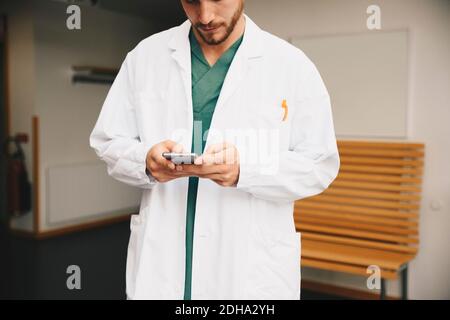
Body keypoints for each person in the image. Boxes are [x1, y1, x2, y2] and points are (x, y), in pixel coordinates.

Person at [90, 0, 340, 300]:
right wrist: (144, 161)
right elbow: (108, 139)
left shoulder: (291, 66)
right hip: (162, 265)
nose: (205, 16)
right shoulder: (145, 57)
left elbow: (318, 165)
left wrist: (245, 170)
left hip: (249, 273)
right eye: (192, 1)